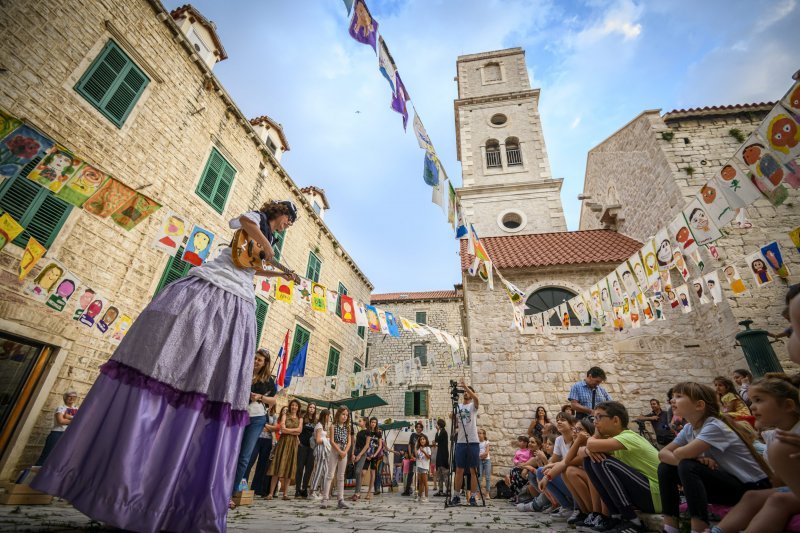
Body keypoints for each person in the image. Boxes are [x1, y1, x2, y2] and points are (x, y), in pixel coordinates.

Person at [31, 201, 299, 532]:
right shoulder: (256, 222)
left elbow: (253, 267)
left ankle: (170, 501)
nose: (288, 226)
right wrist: (269, 246)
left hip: (239, 296)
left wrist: (280, 271)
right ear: (281, 212)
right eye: (289, 220)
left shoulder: (266, 241)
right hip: (212, 287)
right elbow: (245, 220)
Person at [658, 382, 772, 533]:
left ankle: (699, 527)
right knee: (666, 468)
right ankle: (670, 526)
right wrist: (694, 458)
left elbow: (680, 454)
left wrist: (692, 458)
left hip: (752, 488)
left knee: (687, 465)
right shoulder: (689, 428)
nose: (672, 400)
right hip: (729, 485)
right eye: (672, 397)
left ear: (699, 405)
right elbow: (662, 454)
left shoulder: (714, 425)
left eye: (678, 396)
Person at [714, 374, 800, 533]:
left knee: (778, 499)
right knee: (752, 496)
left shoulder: (788, 440)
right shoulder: (779, 433)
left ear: (788, 405)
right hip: (793, 487)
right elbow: (781, 480)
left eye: (759, 400)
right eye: (752, 401)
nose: (751, 407)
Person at [582, 401, 661, 533]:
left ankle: (633, 522)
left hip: (657, 495)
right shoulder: (616, 440)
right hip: (647, 494)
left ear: (616, 420)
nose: (595, 422)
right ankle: (616, 517)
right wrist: (589, 450)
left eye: (599, 417)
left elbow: (590, 445)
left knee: (602, 461)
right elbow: (582, 452)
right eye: (593, 418)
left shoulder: (629, 437)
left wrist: (593, 439)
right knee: (589, 460)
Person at [230, 350, 277, 509]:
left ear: (265, 363)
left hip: (256, 417)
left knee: (244, 457)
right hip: (236, 412)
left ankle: (231, 493)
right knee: (230, 451)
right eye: (255, 358)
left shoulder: (268, 380)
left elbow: (273, 401)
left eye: (260, 360)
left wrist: (260, 397)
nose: (256, 361)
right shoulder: (242, 370)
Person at [535, 412, 577, 519]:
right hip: (564, 475)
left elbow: (572, 462)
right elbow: (552, 462)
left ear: (572, 424)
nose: (558, 422)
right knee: (541, 471)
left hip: (575, 476)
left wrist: (551, 468)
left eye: (562, 420)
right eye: (557, 420)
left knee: (566, 471)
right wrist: (546, 473)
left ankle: (577, 507)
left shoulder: (576, 438)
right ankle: (567, 506)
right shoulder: (559, 440)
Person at [451, 380, 480, 507]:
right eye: (465, 392)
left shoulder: (473, 406)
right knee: (459, 470)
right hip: (461, 441)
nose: (466, 394)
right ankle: (456, 495)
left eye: (469, 392)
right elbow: (454, 420)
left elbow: (477, 398)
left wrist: (466, 387)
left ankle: (473, 496)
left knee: (473, 469)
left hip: (473, 440)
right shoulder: (459, 407)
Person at [267, 398, 302, 500]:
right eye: (292, 405)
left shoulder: (300, 418)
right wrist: (293, 431)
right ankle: (270, 493)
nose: (294, 407)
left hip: (292, 444)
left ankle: (285, 494)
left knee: (289, 468)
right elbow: (282, 429)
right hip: (283, 442)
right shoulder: (285, 415)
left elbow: (299, 431)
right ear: (290, 406)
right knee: (277, 466)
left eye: (296, 405)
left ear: (298, 407)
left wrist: (288, 430)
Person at [35, 390, 78, 466]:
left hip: (70, 435)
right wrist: (75, 419)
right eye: (69, 396)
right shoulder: (61, 408)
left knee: (61, 458)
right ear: (65, 398)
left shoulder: (77, 409)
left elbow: (81, 420)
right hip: (57, 434)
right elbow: (61, 421)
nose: (72, 398)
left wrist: (68, 417)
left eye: (74, 396)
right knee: (46, 456)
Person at [322, 406, 351, 509]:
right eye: (343, 414)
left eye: (346, 415)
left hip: (344, 451)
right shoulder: (333, 426)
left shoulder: (348, 428)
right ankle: (325, 498)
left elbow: (349, 442)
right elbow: (332, 441)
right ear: (338, 415)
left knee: (341, 476)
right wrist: (339, 451)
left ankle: (340, 499)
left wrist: (344, 452)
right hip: (335, 450)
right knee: (330, 474)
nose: (345, 417)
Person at [247, 404, 278, 496]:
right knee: (250, 462)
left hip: (267, 440)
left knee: (263, 465)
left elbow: (275, 428)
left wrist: (264, 426)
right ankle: (242, 487)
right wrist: (268, 427)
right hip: (257, 438)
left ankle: (257, 489)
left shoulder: (274, 415)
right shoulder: (260, 413)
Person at [294, 402, 318, 498]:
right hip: (302, 445)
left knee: (309, 469)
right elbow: (298, 430)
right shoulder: (303, 418)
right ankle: (297, 490)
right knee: (300, 468)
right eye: (310, 407)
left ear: (315, 410)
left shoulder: (316, 421)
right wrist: (298, 441)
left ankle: (304, 489)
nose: (312, 409)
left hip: (312, 448)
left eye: (313, 408)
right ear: (308, 408)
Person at [308, 409, 331, 500]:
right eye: (328, 416)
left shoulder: (323, 426)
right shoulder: (319, 426)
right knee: (318, 470)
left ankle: (322, 491)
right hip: (320, 449)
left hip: (324, 450)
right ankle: (312, 491)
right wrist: (327, 440)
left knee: (325, 471)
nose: (329, 418)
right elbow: (318, 440)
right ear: (325, 416)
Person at [364, 417, 383, 502]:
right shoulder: (367, 432)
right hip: (366, 455)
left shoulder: (378, 433)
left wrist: (375, 454)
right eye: (372, 422)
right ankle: (358, 491)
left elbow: (380, 445)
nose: (373, 424)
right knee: (363, 472)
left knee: (372, 473)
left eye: (375, 422)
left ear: (376, 424)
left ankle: (369, 492)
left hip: (374, 456)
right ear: (370, 423)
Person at [403, 421, 425, 496]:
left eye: (420, 427)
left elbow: (424, 446)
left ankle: (419, 490)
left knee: (419, 473)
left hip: (420, 458)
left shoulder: (423, 436)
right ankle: (407, 490)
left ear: (422, 428)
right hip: (412, 457)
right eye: (417, 427)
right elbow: (409, 445)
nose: (418, 428)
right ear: (415, 428)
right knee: (410, 473)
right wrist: (410, 454)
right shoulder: (412, 435)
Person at [350, 416, 369, 502]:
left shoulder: (368, 432)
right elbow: (355, 443)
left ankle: (357, 493)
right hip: (356, 452)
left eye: (360, 421)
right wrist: (353, 453)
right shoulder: (358, 432)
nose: (358, 422)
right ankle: (357, 493)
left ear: (364, 422)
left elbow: (367, 445)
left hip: (363, 453)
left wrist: (360, 455)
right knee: (356, 472)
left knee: (358, 471)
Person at [433, 419, 449, 497]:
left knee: (445, 474)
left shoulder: (443, 432)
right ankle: (440, 490)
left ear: (439, 425)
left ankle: (448, 491)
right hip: (440, 456)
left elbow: (436, 440)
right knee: (440, 475)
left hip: (443, 456)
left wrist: (437, 431)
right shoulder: (441, 432)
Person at [415, 434, 432, 502]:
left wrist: (424, 451)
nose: (422, 440)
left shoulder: (428, 448)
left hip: (425, 467)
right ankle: (419, 496)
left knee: (425, 483)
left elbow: (428, 457)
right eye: (421, 439)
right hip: (419, 466)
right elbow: (417, 456)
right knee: (420, 483)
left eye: (423, 439)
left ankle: (426, 497)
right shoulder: (419, 449)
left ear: (426, 440)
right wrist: (416, 447)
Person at [477, 428, 491, 500]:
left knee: (488, 477)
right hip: (479, 461)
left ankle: (487, 493)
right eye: (478, 433)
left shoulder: (486, 442)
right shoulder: (477, 443)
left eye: (480, 433)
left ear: (484, 435)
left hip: (487, 461)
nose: (479, 434)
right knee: (479, 478)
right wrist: (480, 456)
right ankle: (478, 494)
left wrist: (480, 456)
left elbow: (486, 453)